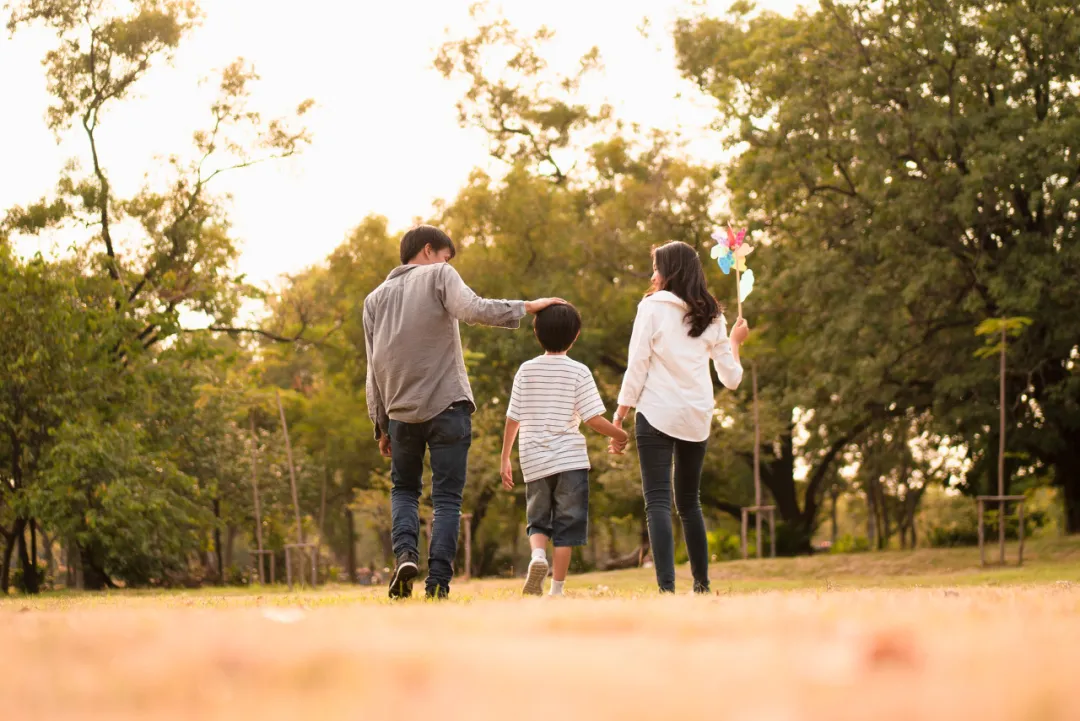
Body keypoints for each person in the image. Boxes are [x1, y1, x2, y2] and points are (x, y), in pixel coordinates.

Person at [363, 225, 565, 600]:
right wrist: (526, 307)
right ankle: (437, 584)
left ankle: (406, 555)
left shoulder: (374, 299)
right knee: (446, 499)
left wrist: (380, 425)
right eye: (444, 255)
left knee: (404, 490)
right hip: (448, 406)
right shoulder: (440, 275)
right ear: (428, 250)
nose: (445, 262)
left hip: (399, 414)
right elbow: (473, 309)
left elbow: (372, 367)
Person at [611, 241, 749, 594]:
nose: (653, 274)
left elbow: (637, 364)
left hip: (656, 412)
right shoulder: (714, 316)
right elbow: (731, 380)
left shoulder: (652, 308)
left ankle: (667, 589)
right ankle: (702, 585)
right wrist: (735, 343)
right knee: (689, 502)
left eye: (656, 267)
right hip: (696, 416)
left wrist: (620, 414)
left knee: (657, 501)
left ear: (669, 271)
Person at [500, 303, 629, 597]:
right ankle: (556, 590)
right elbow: (593, 419)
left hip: (534, 459)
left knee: (538, 519)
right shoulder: (578, 371)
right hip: (570, 460)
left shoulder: (526, 370)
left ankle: (537, 557)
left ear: (536, 333)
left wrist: (505, 457)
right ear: (576, 335)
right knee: (567, 527)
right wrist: (621, 434)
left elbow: (513, 417)